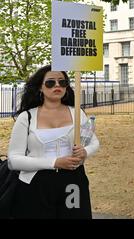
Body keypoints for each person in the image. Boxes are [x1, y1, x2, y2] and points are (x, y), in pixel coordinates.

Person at [7, 65, 99, 218]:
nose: (57, 85)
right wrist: (55, 163)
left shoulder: (77, 113)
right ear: (40, 88)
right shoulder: (27, 117)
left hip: (73, 183)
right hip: (35, 185)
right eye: (50, 82)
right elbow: (13, 160)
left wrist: (85, 152)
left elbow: (94, 142)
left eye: (62, 82)